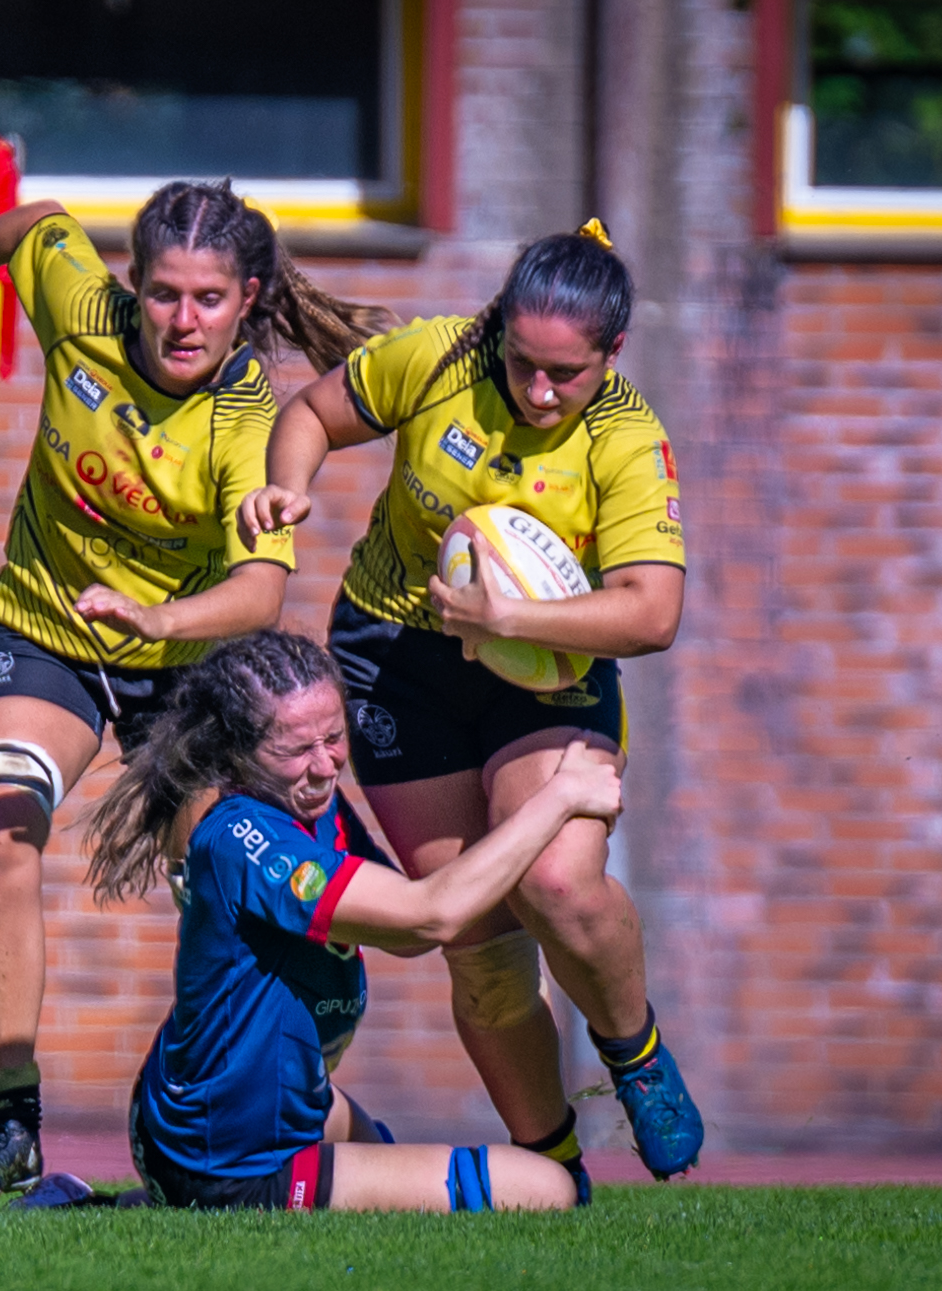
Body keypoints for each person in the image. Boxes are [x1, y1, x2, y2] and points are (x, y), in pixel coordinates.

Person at [0, 181, 392, 1201]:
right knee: (0, 828)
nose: (181, 320)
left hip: (186, 665)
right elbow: (37, 221)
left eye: (207, 298)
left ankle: (333, 1123)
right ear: (131, 286)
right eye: (162, 294)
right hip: (45, 631)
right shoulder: (83, 306)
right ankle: (12, 1121)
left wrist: (158, 620)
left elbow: (260, 591)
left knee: (229, 888)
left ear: (248, 297)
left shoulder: (248, 423)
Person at [236, 220, 701, 1198]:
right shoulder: (439, 357)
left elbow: (653, 613)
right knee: (479, 945)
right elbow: (311, 413)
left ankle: (636, 1052)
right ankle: (555, 1167)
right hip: (398, 662)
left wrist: (512, 615)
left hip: (548, 674)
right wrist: (287, 487)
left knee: (560, 883)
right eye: (520, 364)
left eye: (562, 375)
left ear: (610, 354)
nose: (537, 392)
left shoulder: (623, 439)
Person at [85, 630, 615, 1213]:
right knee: (548, 1190)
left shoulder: (309, 803)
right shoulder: (246, 838)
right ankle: (139, 1203)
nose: (323, 766)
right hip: (232, 1164)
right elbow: (427, 918)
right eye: (294, 750)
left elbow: (402, 924)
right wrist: (558, 798)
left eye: (335, 737)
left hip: (224, 1114)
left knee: (377, 1151)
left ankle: (151, 1199)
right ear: (233, 752)